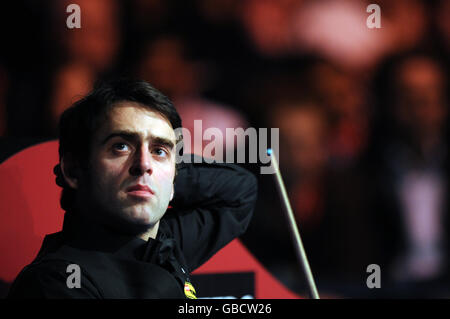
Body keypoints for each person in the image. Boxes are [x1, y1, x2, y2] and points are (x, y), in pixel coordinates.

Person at [7, 79, 257, 299]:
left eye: (159, 150)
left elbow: (239, 191)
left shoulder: (162, 243)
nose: (143, 164)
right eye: (121, 147)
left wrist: (163, 178)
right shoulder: (56, 282)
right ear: (73, 170)